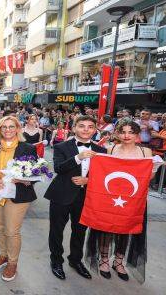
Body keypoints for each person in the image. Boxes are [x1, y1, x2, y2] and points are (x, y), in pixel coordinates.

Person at [85, 120, 153, 283]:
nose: (126, 135)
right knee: (106, 229)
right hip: (110, 197)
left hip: (133, 198)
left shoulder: (146, 152)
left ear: (137, 135)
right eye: (123, 132)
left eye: (131, 132)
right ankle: (104, 260)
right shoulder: (111, 149)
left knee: (127, 229)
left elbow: (149, 176)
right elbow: (102, 171)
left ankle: (119, 262)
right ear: (117, 134)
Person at [45, 115, 107, 280]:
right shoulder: (61, 147)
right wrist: (78, 158)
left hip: (86, 197)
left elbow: (104, 176)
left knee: (80, 231)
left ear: (95, 130)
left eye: (90, 126)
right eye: (81, 126)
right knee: (56, 230)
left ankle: (75, 260)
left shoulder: (101, 151)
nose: (86, 129)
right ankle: (56, 260)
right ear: (73, 128)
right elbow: (58, 168)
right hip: (61, 194)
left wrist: (89, 180)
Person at [0, 116, 36, 281]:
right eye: (4, 127)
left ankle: (12, 263)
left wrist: (25, 179)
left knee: (12, 230)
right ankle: (3, 255)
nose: (8, 130)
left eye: (12, 127)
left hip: (18, 195)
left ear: (18, 129)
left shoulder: (28, 148)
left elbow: (34, 173)